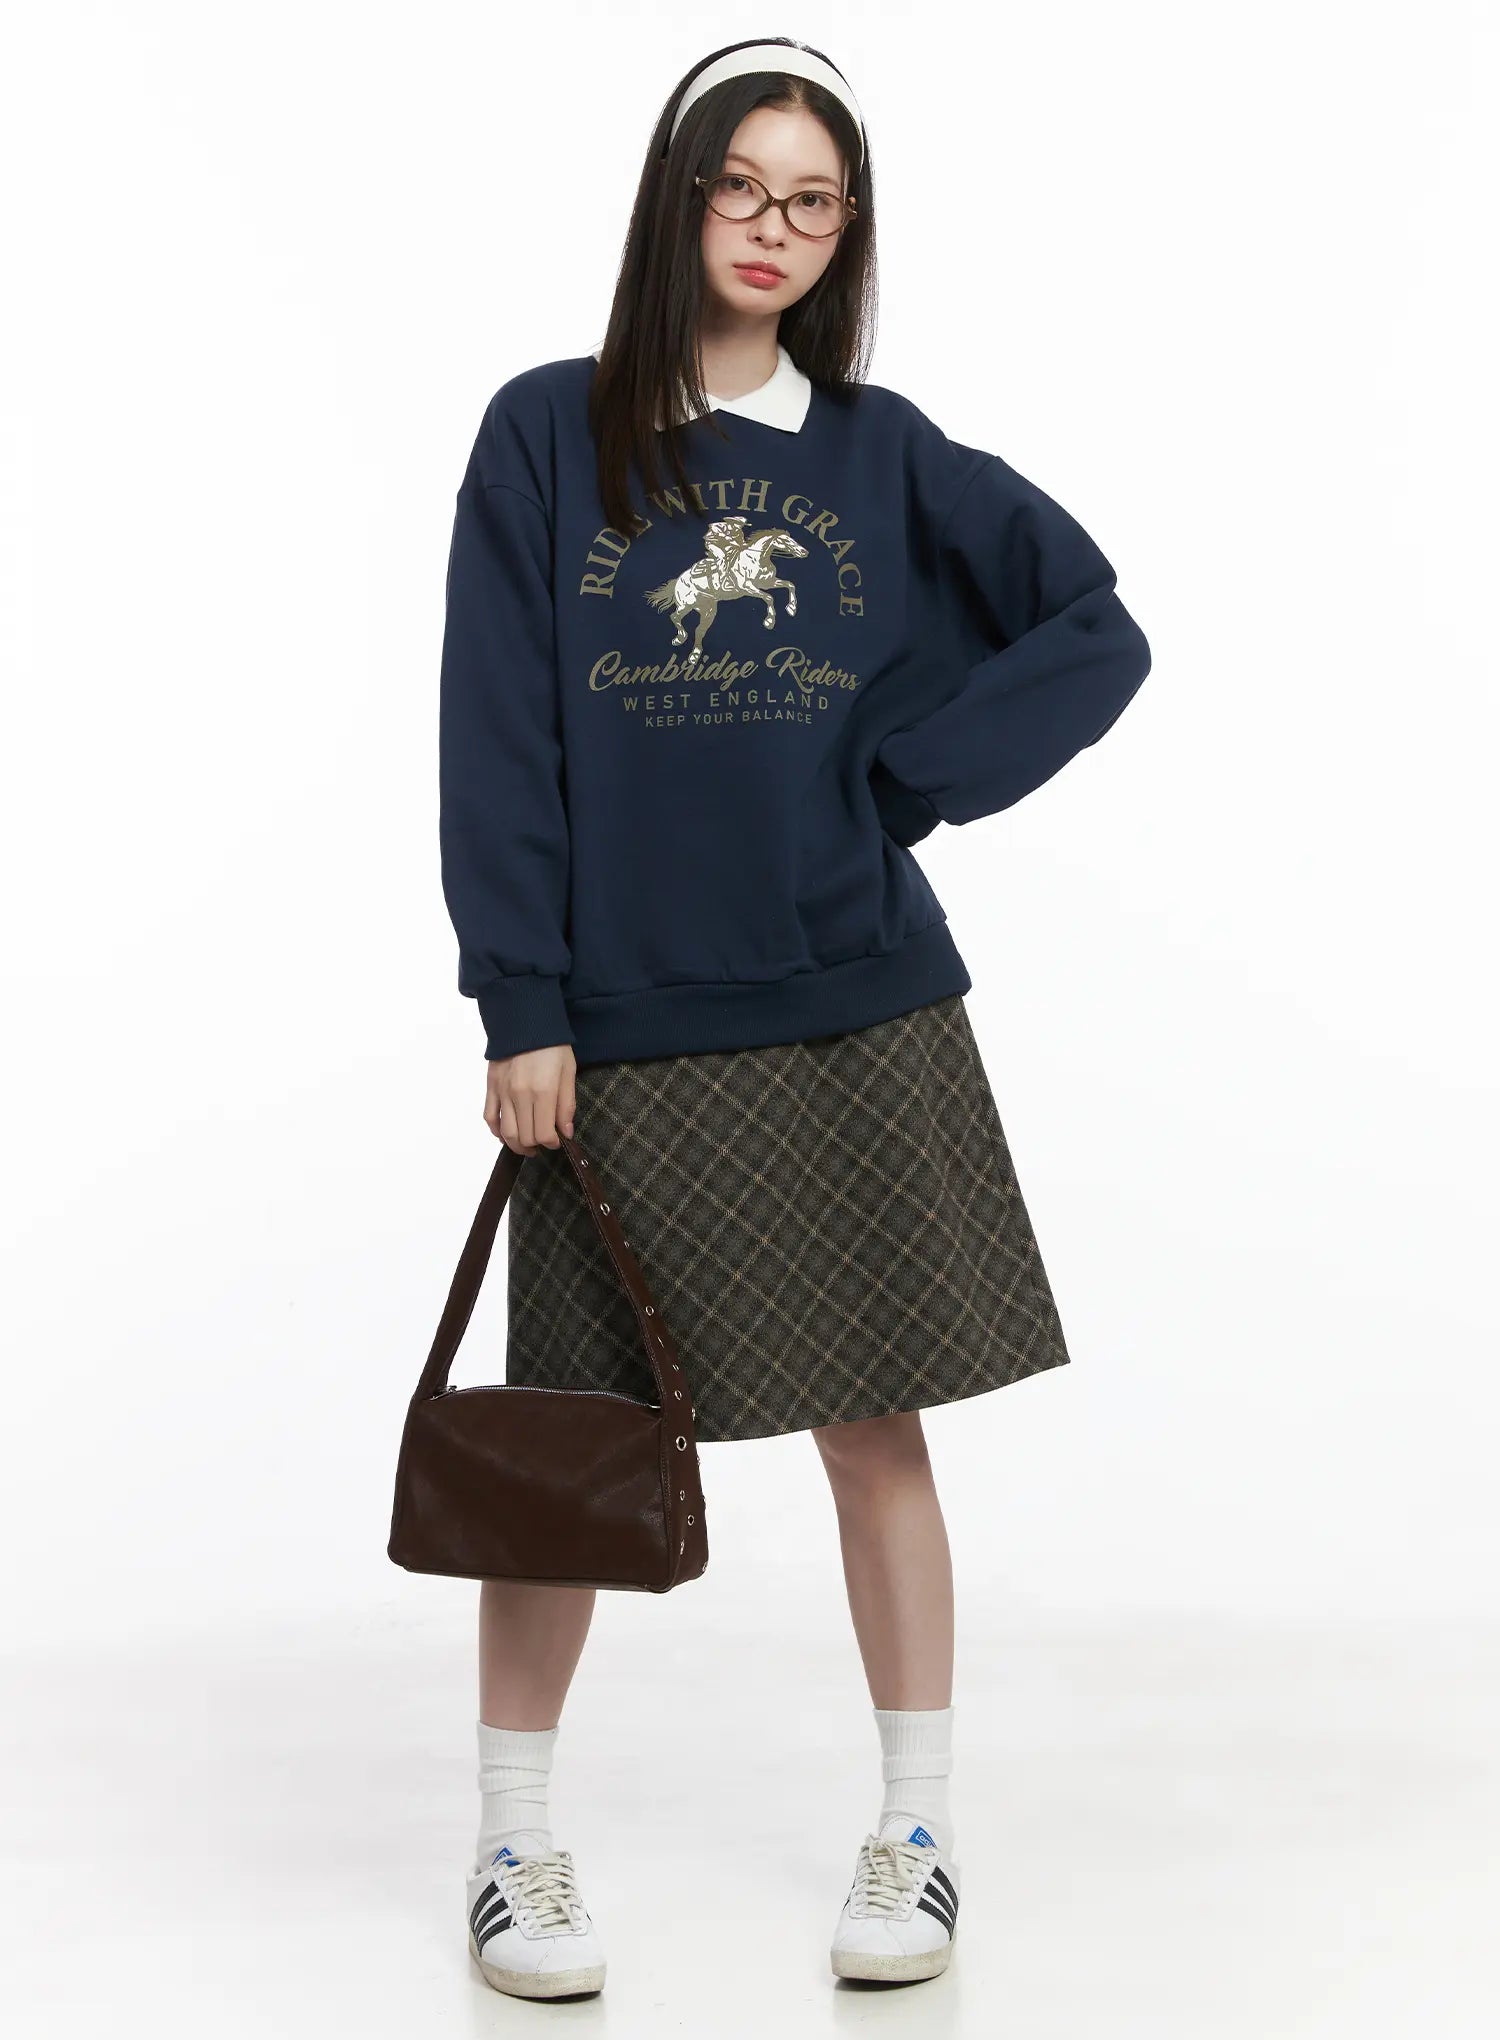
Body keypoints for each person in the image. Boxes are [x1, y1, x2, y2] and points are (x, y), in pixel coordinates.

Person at [439, 37, 1151, 2001]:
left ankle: (917, 1832)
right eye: (742, 188)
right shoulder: (548, 434)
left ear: (847, 236)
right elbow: (496, 731)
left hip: (852, 1001)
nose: (774, 227)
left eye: (814, 203)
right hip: (615, 1018)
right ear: (680, 201)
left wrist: (904, 775)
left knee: (874, 1430)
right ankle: (513, 1842)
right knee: (567, 1452)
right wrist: (521, 997)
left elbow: (1095, 624)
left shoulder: (883, 454)